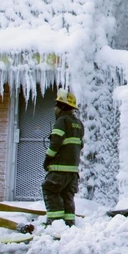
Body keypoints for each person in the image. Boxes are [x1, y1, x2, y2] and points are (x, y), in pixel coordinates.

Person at [42, 88, 84, 227]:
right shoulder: (78, 124)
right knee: (67, 195)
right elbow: (80, 145)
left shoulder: (62, 121)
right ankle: (69, 222)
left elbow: (56, 143)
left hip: (59, 169)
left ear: (62, 107)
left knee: (49, 189)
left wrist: (48, 159)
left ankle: (55, 223)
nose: (55, 108)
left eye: (57, 105)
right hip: (73, 172)